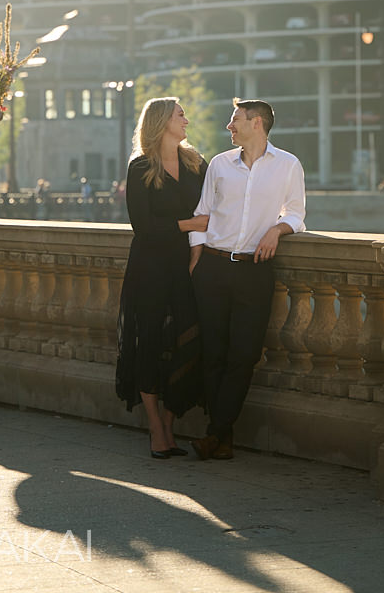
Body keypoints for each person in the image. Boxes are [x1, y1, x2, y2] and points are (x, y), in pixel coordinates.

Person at [188, 98, 305, 460]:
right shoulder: (220, 165)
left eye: (235, 119)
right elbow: (202, 214)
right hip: (213, 267)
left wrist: (278, 229)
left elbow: (298, 213)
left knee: (245, 354)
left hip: (254, 271)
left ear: (257, 123)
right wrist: (196, 260)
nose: (229, 126)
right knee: (213, 354)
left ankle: (217, 433)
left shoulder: (288, 165)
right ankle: (220, 437)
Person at [115, 98, 210, 459]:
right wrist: (188, 225)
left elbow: (212, 208)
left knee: (191, 339)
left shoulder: (195, 163)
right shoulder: (140, 168)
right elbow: (143, 227)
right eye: (180, 114)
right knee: (150, 343)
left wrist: (197, 248)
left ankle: (171, 420)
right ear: (161, 122)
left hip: (187, 265)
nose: (187, 119)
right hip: (150, 267)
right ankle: (157, 428)